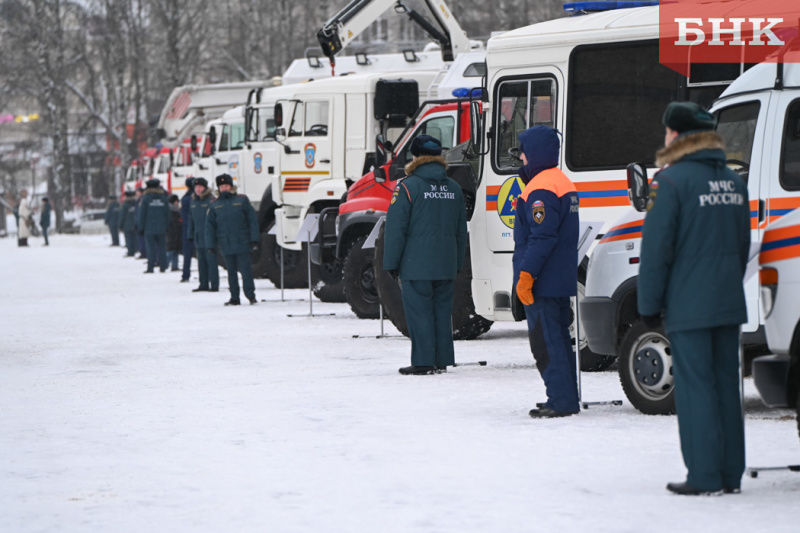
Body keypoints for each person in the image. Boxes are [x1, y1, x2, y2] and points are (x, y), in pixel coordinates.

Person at [638, 101, 750, 496]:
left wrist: (648, 304)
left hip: (689, 304)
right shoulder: (734, 182)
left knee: (696, 388)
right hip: (727, 301)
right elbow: (741, 245)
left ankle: (704, 475)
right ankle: (730, 474)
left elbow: (656, 250)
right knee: (725, 386)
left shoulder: (669, 182)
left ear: (677, 135)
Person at [383, 134, 467, 375]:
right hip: (446, 263)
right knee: (442, 311)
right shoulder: (454, 188)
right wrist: (457, 262)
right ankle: (441, 359)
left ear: (416, 157)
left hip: (416, 264)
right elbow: (461, 230)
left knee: (419, 313)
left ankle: (422, 361)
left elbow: (396, 228)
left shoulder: (407, 187)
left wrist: (391, 262)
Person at [512, 125, 580, 419]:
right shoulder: (561, 181)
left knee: (546, 342)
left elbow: (542, 237)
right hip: (558, 278)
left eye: (524, 153)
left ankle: (561, 401)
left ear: (536, 153)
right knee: (559, 341)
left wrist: (526, 275)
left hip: (543, 280)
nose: (522, 160)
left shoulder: (540, 188)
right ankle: (564, 397)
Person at [205, 174, 259, 305]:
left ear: (231, 186)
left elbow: (252, 221)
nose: (224, 188)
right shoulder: (214, 205)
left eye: (226, 186)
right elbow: (210, 227)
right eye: (222, 186)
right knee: (231, 273)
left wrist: (254, 239)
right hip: (226, 244)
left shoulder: (242, 200)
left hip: (243, 243)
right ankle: (234, 297)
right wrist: (210, 245)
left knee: (246, 271)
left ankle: (250, 295)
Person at [188, 178, 219, 292]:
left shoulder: (211, 201)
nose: (198, 189)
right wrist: (190, 234)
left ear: (205, 188)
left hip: (209, 236)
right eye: (196, 188)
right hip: (198, 236)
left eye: (200, 187)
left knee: (211, 261)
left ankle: (214, 284)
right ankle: (203, 284)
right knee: (201, 262)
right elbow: (191, 219)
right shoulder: (194, 202)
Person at [137, 179, 170, 273]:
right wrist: (167, 226)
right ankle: (163, 266)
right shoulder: (163, 198)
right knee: (162, 247)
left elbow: (142, 214)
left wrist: (141, 227)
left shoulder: (146, 199)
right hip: (162, 228)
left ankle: (150, 267)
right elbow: (167, 213)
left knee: (150, 248)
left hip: (149, 228)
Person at [180, 178, 195, 282]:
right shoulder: (198, 198)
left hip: (187, 228)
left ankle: (186, 275)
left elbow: (183, 215)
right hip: (199, 228)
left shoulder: (185, 199)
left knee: (187, 254)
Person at [166, 194, 183, 272]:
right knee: (171, 250)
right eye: (176, 201)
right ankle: (166, 264)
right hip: (172, 232)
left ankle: (174, 265)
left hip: (174, 233)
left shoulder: (172, 210)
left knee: (174, 249)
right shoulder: (173, 210)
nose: (177, 203)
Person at [120, 190, 138, 257]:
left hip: (127, 225)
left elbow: (122, 216)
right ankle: (136, 249)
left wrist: (120, 225)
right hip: (135, 224)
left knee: (128, 239)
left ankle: (130, 251)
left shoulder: (125, 204)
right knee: (135, 238)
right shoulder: (136, 203)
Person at [134, 188, 147, 260]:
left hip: (141, 223)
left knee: (142, 239)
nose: (136, 193)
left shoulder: (142, 200)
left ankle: (144, 252)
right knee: (140, 239)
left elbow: (140, 213)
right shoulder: (139, 200)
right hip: (138, 222)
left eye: (137, 192)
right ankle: (143, 252)